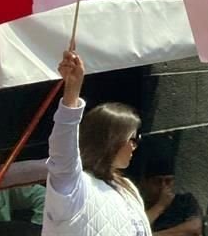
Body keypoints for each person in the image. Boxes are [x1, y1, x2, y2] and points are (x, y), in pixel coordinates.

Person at [42, 50, 152, 235]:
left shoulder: (128, 188)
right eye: (132, 138)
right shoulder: (73, 183)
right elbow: (62, 147)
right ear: (111, 140)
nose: (135, 145)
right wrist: (72, 93)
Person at [136, 151, 202, 236]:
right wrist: (160, 206)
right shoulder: (138, 205)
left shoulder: (185, 201)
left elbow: (195, 226)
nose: (163, 187)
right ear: (145, 183)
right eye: (158, 181)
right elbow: (135, 228)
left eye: (168, 181)